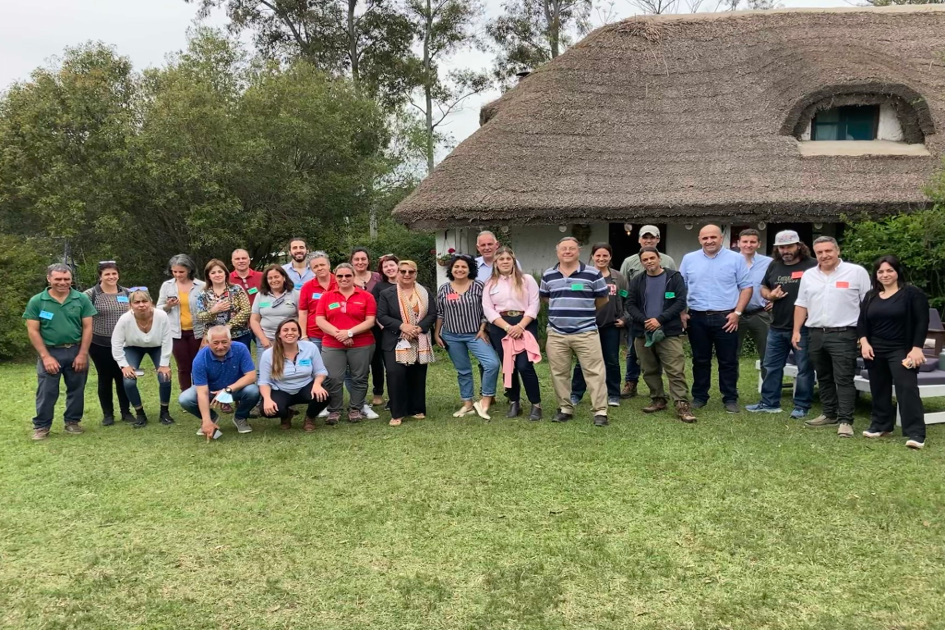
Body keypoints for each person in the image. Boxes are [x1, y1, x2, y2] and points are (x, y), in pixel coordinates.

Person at [793, 236, 871, 438]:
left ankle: (845, 420)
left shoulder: (856, 272)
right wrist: (796, 330)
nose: (824, 255)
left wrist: (864, 335)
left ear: (837, 251)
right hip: (816, 333)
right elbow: (801, 304)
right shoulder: (809, 275)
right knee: (824, 376)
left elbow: (868, 305)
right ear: (815, 253)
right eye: (820, 252)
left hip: (844, 334)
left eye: (828, 251)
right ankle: (829, 413)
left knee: (843, 378)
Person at [857, 256, 929, 449]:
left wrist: (916, 348)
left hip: (901, 350)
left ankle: (916, 433)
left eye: (889, 270)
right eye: (880, 271)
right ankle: (881, 425)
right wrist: (864, 343)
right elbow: (862, 322)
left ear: (897, 272)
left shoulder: (912, 293)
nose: (885, 275)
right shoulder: (871, 296)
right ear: (876, 275)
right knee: (879, 388)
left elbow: (922, 322)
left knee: (907, 388)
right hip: (875, 350)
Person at [679, 224, 752, 413]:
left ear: (721, 238)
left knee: (728, 361)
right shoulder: (689, 259)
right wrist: (681, 312)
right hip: (697, 317)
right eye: (705, 238)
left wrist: (737, 313)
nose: (709, 241)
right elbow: (681, 287)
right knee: (700, 360)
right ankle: (700, 396)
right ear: (699, 239)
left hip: (726, 317)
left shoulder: (736, 259)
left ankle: (730, 398)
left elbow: (747, 287)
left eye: (713, 237)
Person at [540, 237, 610, 426]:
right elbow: (547, 299)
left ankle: (600, 412)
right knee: (559, 373)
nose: (568, 252)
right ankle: (565, 409)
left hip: (586, 332)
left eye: (572, 248)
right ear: (558, 252)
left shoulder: (593, 274)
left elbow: (602, 300)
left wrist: (582, 311)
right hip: (556, 334)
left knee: (594, 372)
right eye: (564, 249)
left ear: (578, 251)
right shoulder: (548, 275)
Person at [746, 231, 817, 417]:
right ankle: (769, 403)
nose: (785, 251)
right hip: (777, 325)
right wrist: (770, 296)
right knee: (771, 366)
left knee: (804, 368)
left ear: (799, 246)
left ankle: (801, 405)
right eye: (781, 247)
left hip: (804, 327)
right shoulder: (774, 265)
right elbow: (763, 287)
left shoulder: (812, 265)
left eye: (789, 246)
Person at [24, 263, 96, 440]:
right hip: (50, 352)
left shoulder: (81, 299)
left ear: (71, 280)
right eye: (58, 279)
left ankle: (72, 421)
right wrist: (46, 357)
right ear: (49, 279)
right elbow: (33, 330)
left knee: (76, 389)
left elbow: (87, 327)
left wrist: (82, 354)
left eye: (66, 279)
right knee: (47, 391)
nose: (62, 282)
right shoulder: (37, 301)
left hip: (76, 350)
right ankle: (42, 426)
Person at [625, 247, 696, 422]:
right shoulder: (637, 280)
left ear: (659, 259)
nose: (649, 262)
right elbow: (630, 304)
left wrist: (660, 319)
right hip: (643, 331)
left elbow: (680, 302)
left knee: (675, 369)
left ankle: (681, 404)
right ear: (641, 262)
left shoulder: (674, 277)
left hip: (668, 331)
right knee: (648, 368)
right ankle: (658, 398)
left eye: (652, 258)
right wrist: (645, 321)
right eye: (645, 259)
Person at [434, 253, 501, 419]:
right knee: (463, 371)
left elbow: (487, 309)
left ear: (470, 269)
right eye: (456, 266)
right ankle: (467, 404)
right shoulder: (444, 288)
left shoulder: (479, 286)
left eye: (464, 266)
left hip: (475, 335)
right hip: (451, 336)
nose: (460, 269)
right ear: (451, 269)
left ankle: (485, 400)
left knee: (491, 363)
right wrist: (436, 334)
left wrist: (483, 327)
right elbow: (440, 313)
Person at [482, 246, 542, 421]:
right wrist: (507, 328)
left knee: (524, 365)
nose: (505, 262)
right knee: (508, 366)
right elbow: (488, 309)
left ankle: (536, 404)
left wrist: (520, 327)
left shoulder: (527, 280)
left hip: (524, 323)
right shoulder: (490, 283)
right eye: (501, 259)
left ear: (513, 261)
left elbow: (534, 304)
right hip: (501, 326)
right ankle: (514, 401)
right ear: (496, 263)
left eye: (508, 259)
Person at [376, 260, 437, 427]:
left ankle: (417, 408)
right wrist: (403, 326)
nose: (407, 274)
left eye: (411, 271)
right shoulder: (387, 293)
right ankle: (397, 412)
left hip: (419, 339)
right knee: (396, 374)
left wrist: (418, 328)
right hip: (395, 340)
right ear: (397, 273)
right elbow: (382, 315)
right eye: (403, 271)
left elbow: (432, 314)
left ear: (416, 274)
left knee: (417, 374)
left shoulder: (425, 292)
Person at [619, 225, 677, 399]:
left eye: (652, 237)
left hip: (662, 317)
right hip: (636, 317)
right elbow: (623, 288)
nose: (648, 240)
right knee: (633, 351)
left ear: (658, 239)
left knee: (659, 351)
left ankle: (658, 388)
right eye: (645, 237)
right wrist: (626, 313)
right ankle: (631, 383)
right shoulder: (630, 262)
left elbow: (675, 288)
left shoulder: (668, 261)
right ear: (639, 239)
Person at [316, 263, 377, 424]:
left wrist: (350, 333)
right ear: (335, 277)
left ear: (353, 277)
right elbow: (320, 319)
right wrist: (340, 334)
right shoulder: (327, 296)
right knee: (333, 377)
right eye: (340, 276)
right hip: (332, 343)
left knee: (359, 377)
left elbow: (370, 320)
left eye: (348, 276)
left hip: (362, 343)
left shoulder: (366, 296)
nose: (344, 279)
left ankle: (355, 409)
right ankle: (334, 410)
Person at [570, 243, 628, 407]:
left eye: (605, 256)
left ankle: (613, 394)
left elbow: (627, 299)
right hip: (587, 327)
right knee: (583, 361)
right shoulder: (582, 276)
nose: (601, 259)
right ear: (592, 257)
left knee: (612, 361)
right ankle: (576, 394)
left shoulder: (618, 278)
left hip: (611, 327)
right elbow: (575, 298)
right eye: (598, 255)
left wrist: (625, 318)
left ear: (610, 257)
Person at [178, 325, 260, 437]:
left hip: (234, 391)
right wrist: (206, 420)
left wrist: (228, 390)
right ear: (208, 342)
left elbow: (251, 376)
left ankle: (240, 417)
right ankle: (211, 418)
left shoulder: (241, 349)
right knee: (185, 399)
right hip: (211, 392)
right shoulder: (200, 359)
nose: (220, 347)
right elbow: (202, 392)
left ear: (230, 341)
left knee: (253, 390)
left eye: (224, 342)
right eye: (215, 343)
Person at [111, 290, 174, 428]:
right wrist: (123, 365)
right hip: (132, 347)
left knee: (164, 377)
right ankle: (140, 414)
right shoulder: (125, 319)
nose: (141, 305)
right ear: (130, 305)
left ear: (151, 302)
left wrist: (164, 364)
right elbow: (116, 343)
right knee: (128, 381)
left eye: (144, 301)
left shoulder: (161, 315)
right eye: (137, 302)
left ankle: (164, 412)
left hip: (157, 346)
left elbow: (167, 340)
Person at [83, 261, 134, 426]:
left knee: (123, 377)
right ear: (100, 276)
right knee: (105, 378)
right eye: (107, 274)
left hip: (124, 344)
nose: (111, 277)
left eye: (114, 273)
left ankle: (126, 412)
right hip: (99, 343)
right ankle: (108, 415)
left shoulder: (127, 292)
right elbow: (82, 318)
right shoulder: (90, 294)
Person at [258, 318, 330, 431]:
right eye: (285, 330)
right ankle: (286, 414)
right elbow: (264, 381)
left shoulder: (310, 348)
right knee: (266, 410)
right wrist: (267, 399)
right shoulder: (268, 354)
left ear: (299, 334)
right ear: (279, 335)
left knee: (324, 395)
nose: (290, 333)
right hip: (281, 389)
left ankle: (310, 417)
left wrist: (317, 385)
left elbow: (320, 371)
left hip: (305, 386)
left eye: (294, 330)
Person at [157, 254, 206, 391]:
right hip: (176, 333)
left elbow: (207, 307)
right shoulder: (167, 286)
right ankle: (186, 394)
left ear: (189, 270)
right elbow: (158, 308)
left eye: (181, 272)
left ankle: (200, 393)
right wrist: (168, 306)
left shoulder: (201, 286)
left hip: (198, 332)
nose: (178, 275)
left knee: (199, 365)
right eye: (174, 271)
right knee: (183, 367)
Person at [735, 229, 773, 378]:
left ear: (759, 244)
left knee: (768, 354)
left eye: (752, 242)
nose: (748, 245)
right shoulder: (731, 261)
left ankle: (769, 392)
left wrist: (775, 301)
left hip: (760, 313)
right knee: (732, 355)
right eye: (745, 241)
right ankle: (731, 393)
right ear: (738, 243)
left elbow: (777, 284)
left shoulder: (769, 263)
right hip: (735, 315)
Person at [196, 259, 253, 348]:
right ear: (208, 276)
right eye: (213, 273)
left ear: (225, 273)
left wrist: (228, 326)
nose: (217, 275)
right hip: (214, 339)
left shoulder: (236, 289)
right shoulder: (203, 294)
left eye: (220, 271)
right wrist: (213, 311)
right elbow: (200, 317)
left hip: (238, 336)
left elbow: (246, 310)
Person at [369, 254, 400, 406]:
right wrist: (384, 326)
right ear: (381, 270)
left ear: (398, 266)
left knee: (401, 365)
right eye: (385, 266)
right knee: (386, 365)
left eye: (391, 265)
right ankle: (382, 394)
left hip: (405, 332)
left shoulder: (407, 283)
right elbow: (374, 309)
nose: (389, 268)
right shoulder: (379, 287)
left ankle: (399, 396)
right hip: (383, 332)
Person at [250, 264, 299, 349]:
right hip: (267, 340)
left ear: (284, 278)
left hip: (290, 340)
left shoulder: (295, 294)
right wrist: (263, 338)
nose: (274, 280)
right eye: (270, 278)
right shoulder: (260, 295)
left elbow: (302, 317)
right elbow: (254, 320)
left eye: (276, 277)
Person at [298, 252, 337, 349]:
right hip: (315, 335)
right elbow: (303, 312)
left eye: (322, 265)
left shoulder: (340, 281)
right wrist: (303, 335)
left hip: (338, 333)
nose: (319, 268)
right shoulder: (307, 287)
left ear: (329, 265)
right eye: (315, 266)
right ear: (311, 269)